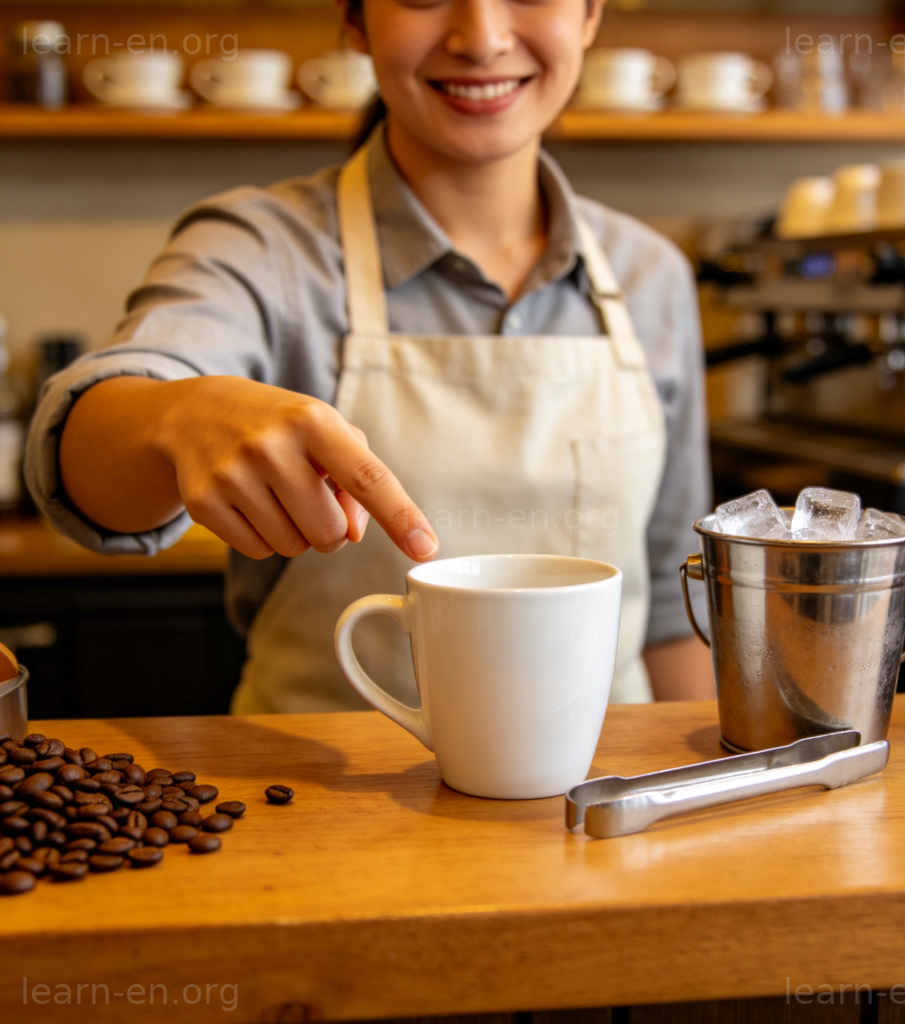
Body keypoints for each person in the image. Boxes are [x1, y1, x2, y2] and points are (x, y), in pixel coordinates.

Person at [25, 0, 715, 712]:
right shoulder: (264, 250)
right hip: (322, 802)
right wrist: (177, 414)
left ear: (591, 14)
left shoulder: (651, 275)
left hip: (600, 799)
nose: (481, 39)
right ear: (355, 22)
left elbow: (671, 595)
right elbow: (82, 462)